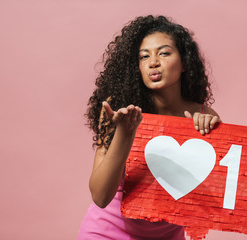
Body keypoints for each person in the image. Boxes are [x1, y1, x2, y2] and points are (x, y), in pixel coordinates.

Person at [78, 15, 221, 240]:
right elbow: (100, 196)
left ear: (184, 63)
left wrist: (210, 136)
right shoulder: (118, 111)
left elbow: (211, 197)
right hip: (108, 233)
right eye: (144, 57)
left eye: (164, 53)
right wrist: (124, 133)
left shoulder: (202, 116)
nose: (153, 62)